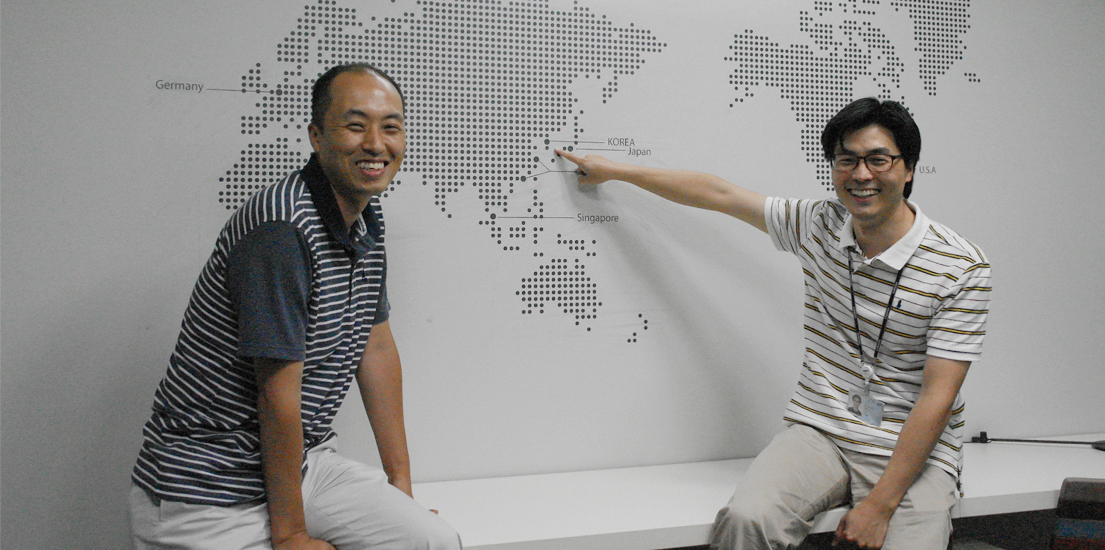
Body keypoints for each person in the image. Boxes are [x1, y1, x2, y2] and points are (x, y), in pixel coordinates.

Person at [557, 97, 991, 549]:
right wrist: (616, 171)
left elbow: (937, 398)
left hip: (912, 448)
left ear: (909, 168)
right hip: (822, 430)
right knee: (746, 520)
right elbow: (719, 194)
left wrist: (880, 506)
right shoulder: (819, 224)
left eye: (878, 160)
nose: (861, 174)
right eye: (846, 160)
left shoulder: (960, 266)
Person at [129, 63, 461, 550]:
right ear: (316, 136)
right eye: (355, 125)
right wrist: (291, 535)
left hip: (303, 464)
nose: (376, 143)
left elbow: (376, 348)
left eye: (391, 127)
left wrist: (401, 486)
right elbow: (276, 394)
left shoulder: (365, 216)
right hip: (208, 487)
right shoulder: (281, 229)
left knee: (430, 541)